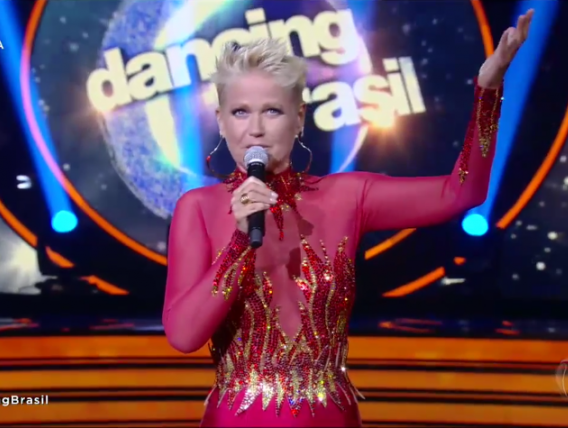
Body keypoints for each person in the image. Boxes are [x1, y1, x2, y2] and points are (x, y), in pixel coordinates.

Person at [164, 10, 534, 428]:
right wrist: (238, 244)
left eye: (272, 111)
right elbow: (183, 336)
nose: (256, 129)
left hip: (330, 416)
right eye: (240, 112)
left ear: (299, 118)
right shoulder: (198, 208)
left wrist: (488, 90)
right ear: (220, 121)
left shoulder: (347, 196)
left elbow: (462, 192)